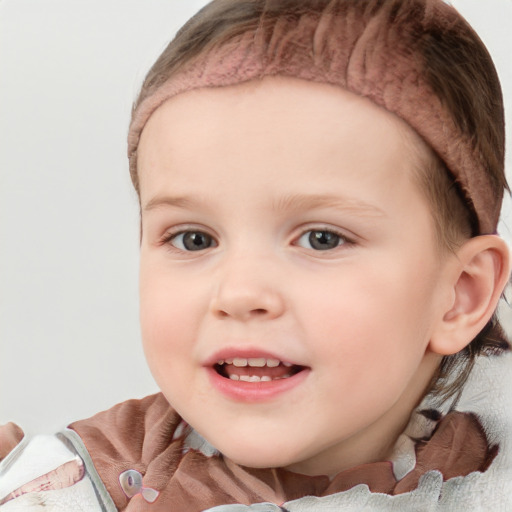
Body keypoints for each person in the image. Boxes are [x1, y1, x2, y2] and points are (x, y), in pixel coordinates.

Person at [1, 0, 511, 510]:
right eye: (193, 239)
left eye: (321, 239)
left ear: (460, 295)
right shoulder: (92, 480)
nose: (240, 293)